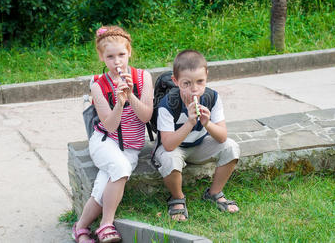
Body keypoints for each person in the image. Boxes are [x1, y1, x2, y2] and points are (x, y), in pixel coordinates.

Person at [72, 26, 153, 243]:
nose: (117, 61)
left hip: (131, 146)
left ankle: (80, 228)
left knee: (103, 184)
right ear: (101, 57)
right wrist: (119, 102)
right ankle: (106, 225)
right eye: (110, 56)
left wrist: (130, 95)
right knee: (120, 168)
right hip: (105, 142)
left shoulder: (144, 77)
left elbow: (145, 117)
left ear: (129, 53)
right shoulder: (99, 85)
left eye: (121, 55)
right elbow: (109, 125)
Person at [154, 49, 240, 221]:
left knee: (231, 147)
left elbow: (222, 137)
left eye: (200, 81)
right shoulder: (168, 104)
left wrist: (207, 123)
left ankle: (214, 192)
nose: (194, 89)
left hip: (199, 145)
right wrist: (190, 123)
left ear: (207, 76)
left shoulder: (212, 97)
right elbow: (168, 144)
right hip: (175, 147)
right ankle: (177, 198)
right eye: (186, 83)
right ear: (176, 81)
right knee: (170, 158)